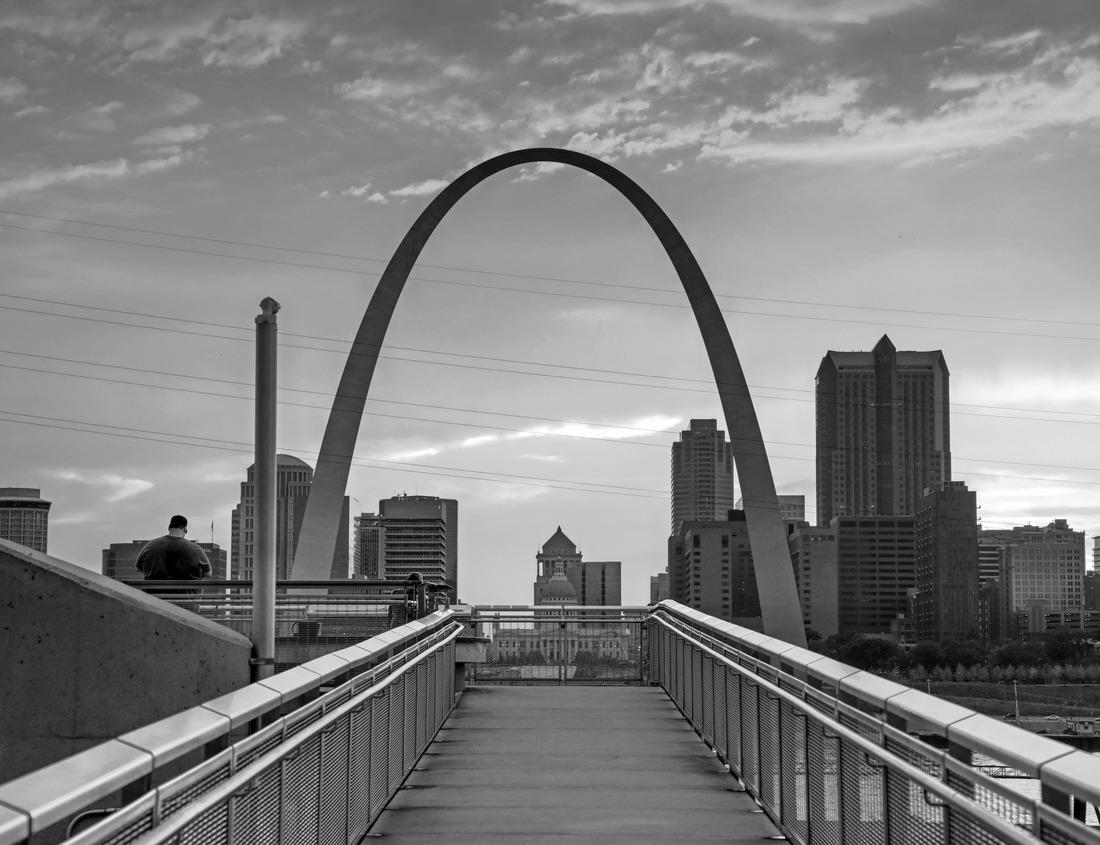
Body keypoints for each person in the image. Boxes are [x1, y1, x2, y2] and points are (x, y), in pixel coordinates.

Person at [136, 515, 212, 589]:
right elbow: (208, 574)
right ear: (185, 530)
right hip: (187, 596)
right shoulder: (195, 549)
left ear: (169, 528)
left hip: (153, 596)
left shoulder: (150, 545)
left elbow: (138, 569)